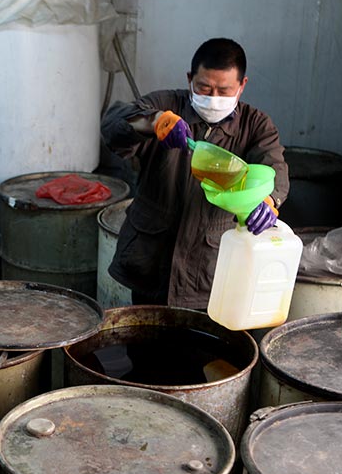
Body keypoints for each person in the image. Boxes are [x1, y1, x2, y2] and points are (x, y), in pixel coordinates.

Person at [101, 37, 289, 308]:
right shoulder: (166, 104)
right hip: (151, 263)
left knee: (206, 334)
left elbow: (274, 168)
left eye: (224, 90)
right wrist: (154, 122)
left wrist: (269, 201)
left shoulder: (256, 125)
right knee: (147, 332)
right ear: (190, 79)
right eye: (204, 87)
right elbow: (113, 124)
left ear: (242, 85)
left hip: (209, 270)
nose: (213, 98)